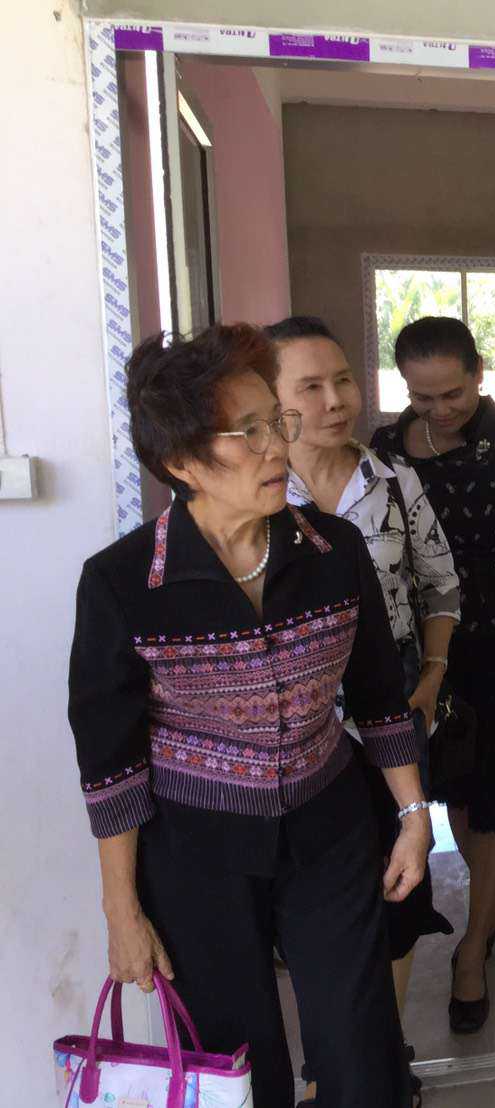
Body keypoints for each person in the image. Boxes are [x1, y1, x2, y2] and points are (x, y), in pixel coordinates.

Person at [67, 324, 431, 1108]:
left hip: (330, 828)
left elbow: (378, 695)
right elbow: (110, 762)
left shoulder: (334, 551)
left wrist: (413, 814)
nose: (278, 447)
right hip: (195, 849)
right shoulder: (123, 583)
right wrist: (122, 909)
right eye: (249, 432)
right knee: (234, 1061)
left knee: (362, 1049)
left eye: (277, 422)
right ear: (181, 462)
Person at [267, 315, 461, 1106]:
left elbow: (441, 586)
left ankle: (382, 1054)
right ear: (271, 400)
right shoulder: (255, 493)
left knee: (396, 892)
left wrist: (433, 674)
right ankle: (327, 1066)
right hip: (297, 739)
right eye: (310, 386)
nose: (334, 400)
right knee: (314, 907)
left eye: (343, 379)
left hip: (391, 726)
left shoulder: (393, 482)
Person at [370, 316, 495, 1034]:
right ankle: (493, 897)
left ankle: (473, 945)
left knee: (491, 794)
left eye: (452, 393)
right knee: (452, 785)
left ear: (479, 373)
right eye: (422, 397)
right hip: (421, 651)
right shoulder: (383, 451)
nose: (439, 409)